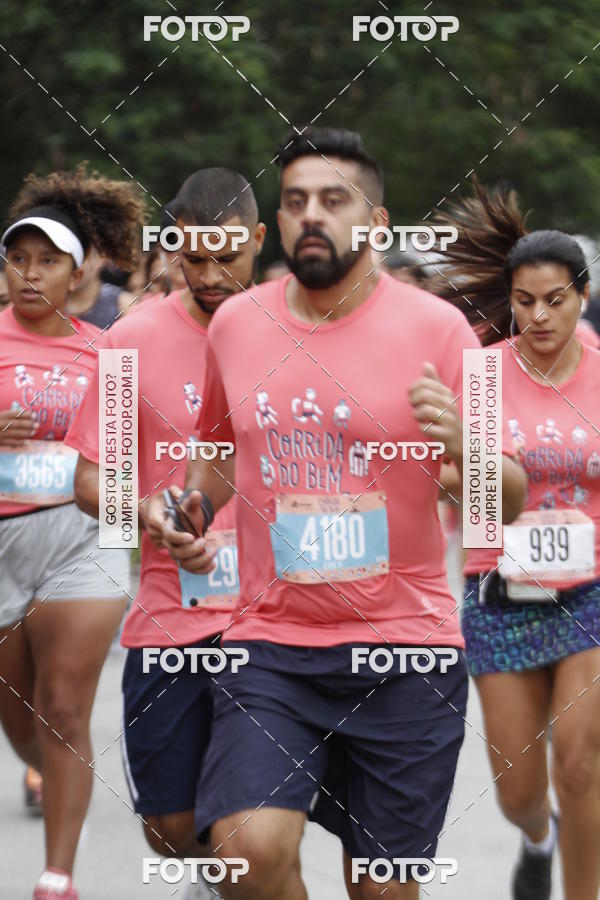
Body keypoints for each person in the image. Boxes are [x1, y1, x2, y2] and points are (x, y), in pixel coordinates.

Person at [160, 127, 527, 900]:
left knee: (382, 889)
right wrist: (191, 509)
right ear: (278, 221)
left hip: (406, 653)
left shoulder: (441, 330)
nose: (312, 216)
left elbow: (507, 500)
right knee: (245, 853)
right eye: (296, 201)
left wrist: (469, 449)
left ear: (377, 222)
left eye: (334, 200)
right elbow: (219, 449)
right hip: (270, 645)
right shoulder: (237, 323)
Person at [66, 168, 265, 898]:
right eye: (193, 257)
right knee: (169, 824)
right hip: (172, 611)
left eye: (227, 257)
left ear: (259, 240)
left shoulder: (295, 332)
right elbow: (92, 481)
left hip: (275, 622)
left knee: (254, 825)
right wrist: (142, 508)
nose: (209, 276)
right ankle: (212, 874)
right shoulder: (134, 338)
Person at [436, 180, 600, 900]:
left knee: (581, 764)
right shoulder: (481, 377)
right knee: (519, 791)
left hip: (592, 589)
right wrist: (461, 474)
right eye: (524, 301)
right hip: (500, 588)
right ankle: (539, 837)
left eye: (554, 300)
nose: (538, 315)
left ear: (582, 296)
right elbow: (454, 486)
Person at [0, 165, 145, 900]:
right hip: (3, 548)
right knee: (23, 724)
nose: (30, 274)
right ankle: (53, 773)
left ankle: (57, 878)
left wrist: (127, 541)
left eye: (47, 260)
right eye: (18, 258)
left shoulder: (109, 354)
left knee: (63, 708)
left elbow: (119, 469)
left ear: (80, 270)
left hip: (81, 544)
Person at [64, 245, 136, 329]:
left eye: (78, 257)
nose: (71, 267)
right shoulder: (52, 303)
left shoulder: (124, 304)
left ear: (99, 260)